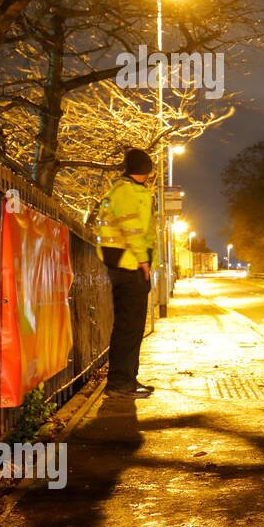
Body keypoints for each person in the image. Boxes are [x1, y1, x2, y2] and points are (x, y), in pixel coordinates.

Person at [93, 148, 157, 397]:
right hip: (128, 265)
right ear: (146, 169)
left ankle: (126, 380)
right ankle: (121, 383)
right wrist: (143, 260)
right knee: (129, 327)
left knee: (130, 326)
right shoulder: (127, 191)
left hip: (128, 265)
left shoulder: (129, 190)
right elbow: (131, 228)